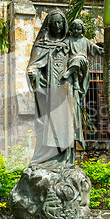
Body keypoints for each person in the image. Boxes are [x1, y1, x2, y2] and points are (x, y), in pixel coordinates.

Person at [27, 9, 76, 167]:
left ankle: (64, 159)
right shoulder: (41, 45)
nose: (58, 25)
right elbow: (33, 66)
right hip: (48, 92)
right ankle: (46, 158)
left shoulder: (69, 44)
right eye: (54, 22)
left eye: (60, 22)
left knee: (65, 124)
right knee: (47, 123)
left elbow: (80, 61)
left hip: (65, 91)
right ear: (48, 25)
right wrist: (33, 74)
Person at [62, 19, 103, 96]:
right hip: (72, 60)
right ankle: (76, 81)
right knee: (76, 60)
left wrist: (98, 49)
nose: (76, 31)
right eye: (74, 29)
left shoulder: (84, 40)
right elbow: (63, 45)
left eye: (78, 29)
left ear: (82, 30)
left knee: (79, 59)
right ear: (72, 29)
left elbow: (93, 46)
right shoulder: (69, 39)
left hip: (83, 61)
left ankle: (70, 72)